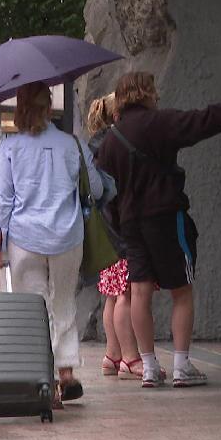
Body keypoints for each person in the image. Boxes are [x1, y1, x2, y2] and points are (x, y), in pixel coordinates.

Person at [98, 71, 221, 388]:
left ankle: (148, 366)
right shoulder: (160, 123)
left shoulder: (110, 140)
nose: (157, 95)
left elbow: (105, 192)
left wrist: (118, 228)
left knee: (140, 291)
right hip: (165, 216)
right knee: (182, 290)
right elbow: (204, 120)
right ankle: (181, 365)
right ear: (145, 92)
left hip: (131, 224)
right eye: (153, 90)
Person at [0, 82, 103, 408]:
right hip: (67, 236)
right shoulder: (73, 144)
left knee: (34, 310)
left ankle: (45, 383)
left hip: (26, 239)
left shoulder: (10, 148)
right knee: (63, 302)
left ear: (21, 108)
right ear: (50, 107)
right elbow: (95, 188)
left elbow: (2, 202)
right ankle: (66, 373)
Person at [86, 94, 151, 381]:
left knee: (111, 295)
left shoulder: (94, 147)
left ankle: (112, 354)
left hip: (104, 231)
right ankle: (130, 357)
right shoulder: (116, 145)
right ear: (116, 116)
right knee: (124, 293)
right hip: (120, 230)